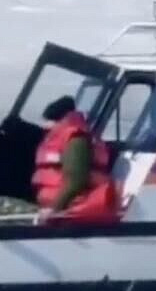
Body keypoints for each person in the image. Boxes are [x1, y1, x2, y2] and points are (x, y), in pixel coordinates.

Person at [31, 95, 122, 224]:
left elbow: (77, 181)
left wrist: (53, 210)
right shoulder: (67, 136)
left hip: (69, 211)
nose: (45, 128)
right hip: (58, 208)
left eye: (48, 123)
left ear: (57, 120)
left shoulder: (76, 139)